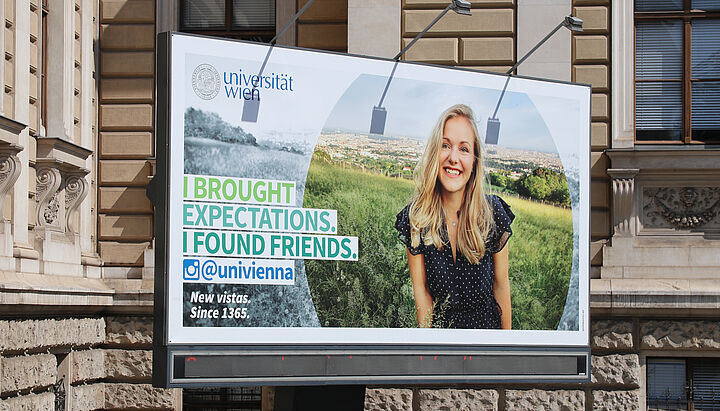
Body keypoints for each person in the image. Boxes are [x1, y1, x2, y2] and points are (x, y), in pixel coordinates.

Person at [395, 104, 514, 329]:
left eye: (464, 149)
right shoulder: (416, 218)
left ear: (475, 161)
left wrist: (506, 351)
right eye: (445, 145)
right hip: (442, 340)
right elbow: (421, 292)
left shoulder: (493, 212)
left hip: (486, 337)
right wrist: (428, 353)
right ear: (434, 153)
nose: (453, 158)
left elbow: (501, 284)